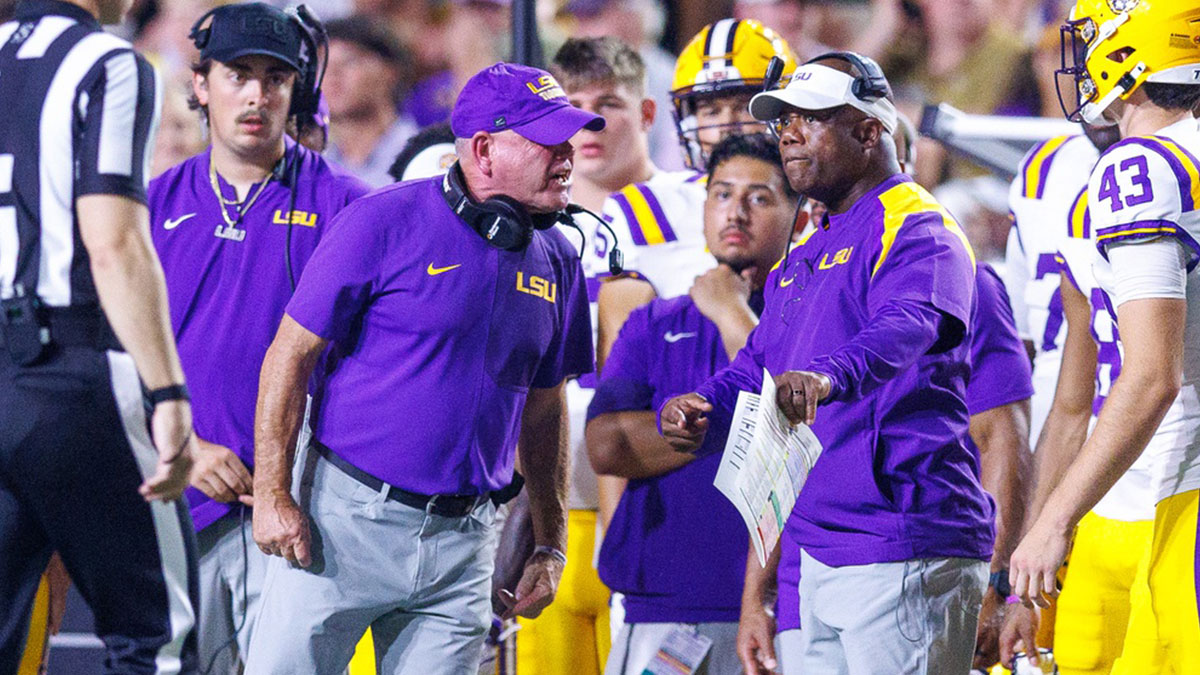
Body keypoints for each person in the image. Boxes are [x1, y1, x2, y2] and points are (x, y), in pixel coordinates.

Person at [245, 62, 599, 673]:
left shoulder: (559, 258)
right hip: (342, 523)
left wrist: (550, 543)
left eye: (569, 140)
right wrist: (271, 494)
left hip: (465, 544)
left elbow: (545, 411)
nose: (568, 156)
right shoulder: (381, 220)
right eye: (549, 141)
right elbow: (289, 355)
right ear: (484, 150)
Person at [661, 53, 992, 672]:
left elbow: (909, 322)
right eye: (785, 121)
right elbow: (759, 362)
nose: (789, 133)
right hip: (816, 545)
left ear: (868, 131)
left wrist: (830, 374)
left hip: (900, 534)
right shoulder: (812, 248)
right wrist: (706, 400)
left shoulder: (918, 225)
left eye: (810, 119)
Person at [148, 3, 370, 671]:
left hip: (304, 512)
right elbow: (113, 356)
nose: (256, 95)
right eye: (238, 75)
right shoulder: (152, 204)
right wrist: (185, 446)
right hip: (177, 499)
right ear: (200, 84)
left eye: (275, 78)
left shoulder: (351, 207)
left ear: (296, 91)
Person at [0, 0, 200, 670]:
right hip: (66, 366)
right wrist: (167, 392)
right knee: (157, 637)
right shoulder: (107, 61)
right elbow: (113, 243)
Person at [1011, 1, 1200, 672]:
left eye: (1095, 40)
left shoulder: (1140, 168)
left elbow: (1150, 376)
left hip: (1173, 485)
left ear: (1130, 54)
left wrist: (1052, 518)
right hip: (1127, 491)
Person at [588, 133, 798, 675]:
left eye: (759, 197)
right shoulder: (655, 320)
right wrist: (732, 428)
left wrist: (730, 315)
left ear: (799, 215)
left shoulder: (808, 313)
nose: (736, 212)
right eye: (722, 194)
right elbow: (607, 446)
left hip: (781, 613)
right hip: (661, 606)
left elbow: (795, 428)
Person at [506, 36, 660, 675]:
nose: (590, 123)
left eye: (609, 104)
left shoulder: (697, 209)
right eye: (573, 106)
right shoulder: (524, 223)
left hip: (653, 503)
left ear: (646, 113)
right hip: (550, 510)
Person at [322, 15, 417, 188]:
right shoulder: (319, 165)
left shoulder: (420, 154)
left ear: (390, 71)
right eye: (323, 65)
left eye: (348, 61)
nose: (332, 75)